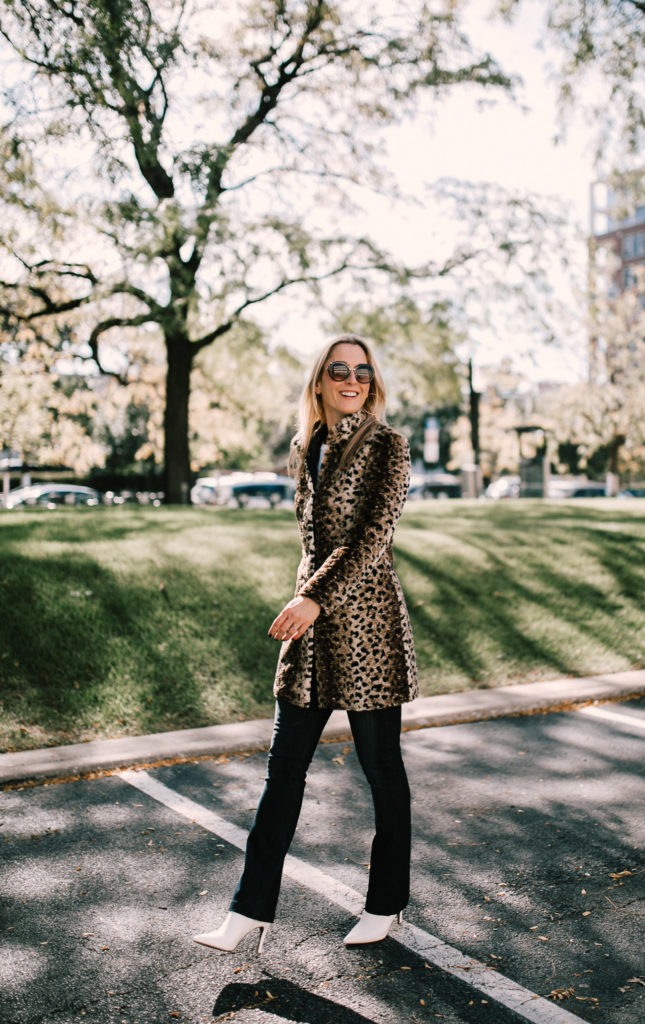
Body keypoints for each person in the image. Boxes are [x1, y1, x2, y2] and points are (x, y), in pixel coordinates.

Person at [193, 333, 418, 954]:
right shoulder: (307, 446)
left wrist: (313, 597)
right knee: (282, 770)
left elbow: (373, 538)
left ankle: (387, 904)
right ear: (319, 381)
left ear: (372, 384)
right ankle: (248, 913)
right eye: (339, 370)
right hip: (312, 638)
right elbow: (312, 543)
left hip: (368, 631)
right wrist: (309, 603)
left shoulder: (388, 446)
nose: (352, 380)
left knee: (381, 770)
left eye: (363, 372)